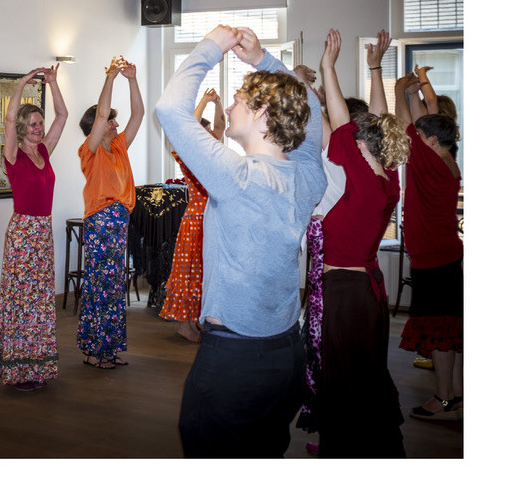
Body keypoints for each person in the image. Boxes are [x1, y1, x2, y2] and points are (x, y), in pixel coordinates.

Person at [155, 25, 326, 457]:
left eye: (239, 101)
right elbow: (314, 112)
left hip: (233, 362)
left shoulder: (237, 177)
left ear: (263, 113)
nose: (229, 107)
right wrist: (263, 60)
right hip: (287, 352)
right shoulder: (308, 175)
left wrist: (213, 47)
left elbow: (170, 109)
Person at [304, 29, 408, 457]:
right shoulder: (387, 181)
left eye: (355, 134)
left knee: (343, 376)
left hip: (344, 293)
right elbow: (378, 119)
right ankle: (377, 446)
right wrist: (374, 68)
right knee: (366, 372)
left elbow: (341, 118)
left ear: (359, 144)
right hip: (369, 290)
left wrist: (328, 67)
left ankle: (343, 452)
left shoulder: (360, 172)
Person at [0, 65, 68, 391]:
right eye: (34, 124)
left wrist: (52, 84)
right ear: (22, 128)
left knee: (38, 302)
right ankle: (17, 369)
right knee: (22, 300)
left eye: (40, 124)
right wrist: (22, 83)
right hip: (23, 234)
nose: (40, 128)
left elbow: (63, 115)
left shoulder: (43, 152)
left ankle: (36, 365)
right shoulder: (13, 155)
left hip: (42, 232)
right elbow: (8, 120)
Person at [394, 70, 463, 421]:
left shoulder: (427, 160)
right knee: (448, 329)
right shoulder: (449, 163)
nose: (416, 137)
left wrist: (398, 90)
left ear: (432, 142)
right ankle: (455, 394)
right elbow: (426, 114)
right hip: (446, 255)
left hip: (433, 260)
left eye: (421, 136)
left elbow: (402, 123)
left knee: (438, 333)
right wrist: (418, 87)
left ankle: (443, 397)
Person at [77, 55, 144, 369]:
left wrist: (132, 79)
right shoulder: (89, 152)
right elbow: (103, 112)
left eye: (115, 121)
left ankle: (106, 348)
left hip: (118, 224)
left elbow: (139, 114)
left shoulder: (118, 147)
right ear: (97, 127)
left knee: (113, 286)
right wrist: (111, 77)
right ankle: (96, 350)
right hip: (101, 223)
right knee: (100, 285)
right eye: (110, 121)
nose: (116, 124)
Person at [160, 88, 224, 344]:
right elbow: (189, 125)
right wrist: (205, 101)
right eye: (203, 133)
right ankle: (185, 325)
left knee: (202, 271)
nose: (210, 136)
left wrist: (218, 105)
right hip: (197, 219)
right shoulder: (188, 154)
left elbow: (220, 126)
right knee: (189, 272)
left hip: (210, 217)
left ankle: (194, 323)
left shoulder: (210, 153)